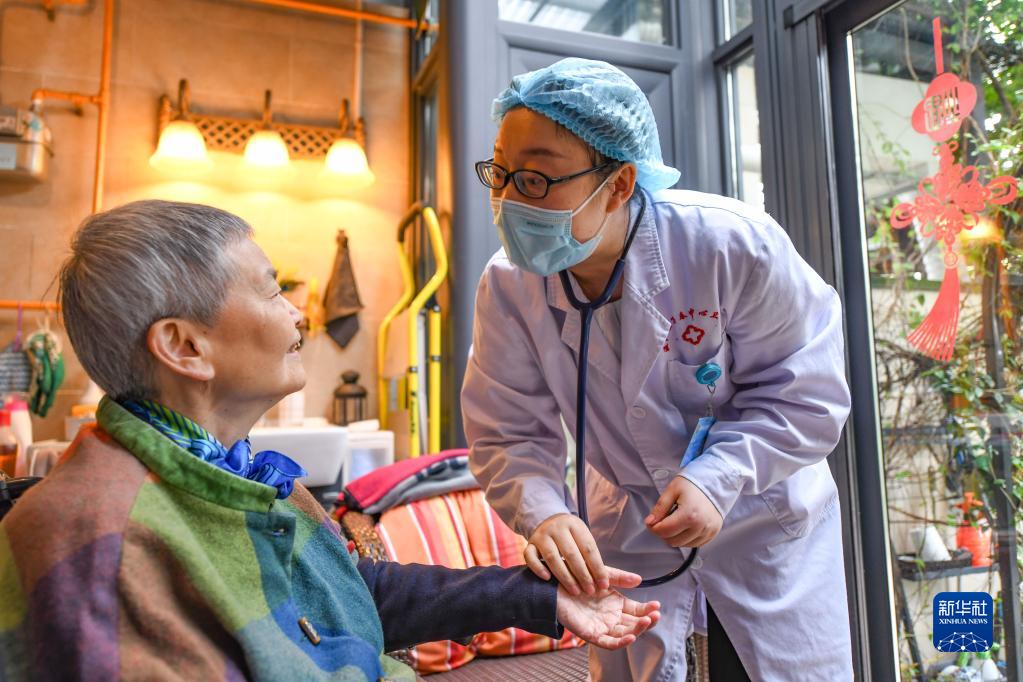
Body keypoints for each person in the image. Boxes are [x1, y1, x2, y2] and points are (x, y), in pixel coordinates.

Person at [0, 200, 661, 681]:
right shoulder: (95, 542)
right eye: (271, 292)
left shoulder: (241, 474)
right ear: (184, 346)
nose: (297, 313)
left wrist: (542, 598)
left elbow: (346, 591)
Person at [461, 57, 853, 681]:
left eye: (535, 178)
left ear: (619, 184)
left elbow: (807, 394)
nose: (508, 200)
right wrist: (544, 512)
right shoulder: (509, 286)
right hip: (631, 531)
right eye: (500, 173)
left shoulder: (729, 244)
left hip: (760, 522)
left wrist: (719, 476)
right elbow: (507, 432)